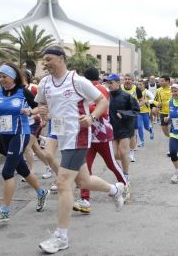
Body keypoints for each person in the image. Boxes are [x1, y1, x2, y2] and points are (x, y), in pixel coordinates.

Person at [35, 46, 125, 254]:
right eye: (44, 60)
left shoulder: (77, 81)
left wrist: (92, 118)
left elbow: (103, 100)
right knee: (83, 181)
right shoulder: (44, 83)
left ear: (61, 59)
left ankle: (61, 237)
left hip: (78, 134)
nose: (46, 63)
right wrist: (42, 110)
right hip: (58, 131)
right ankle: (115, 189)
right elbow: (41, 104)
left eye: (49, 59)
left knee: (63, 182)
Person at [0, 63, 49, 223]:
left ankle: (5, 211)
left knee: (7, 172)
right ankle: (42, 192)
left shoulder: (23, 91)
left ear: (12, 77)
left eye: (4, 77)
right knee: (21, 168)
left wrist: (30, 111)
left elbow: (40, 108)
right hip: (4, 134)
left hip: (20, 134)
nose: (1, 80)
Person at [73, 67, 127, 214]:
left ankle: (124, 187)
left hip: (102, 134)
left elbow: (102, 109)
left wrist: (85, 108)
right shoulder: (86, 89)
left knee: (111, 164)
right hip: (89, 135)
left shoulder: (99, 88)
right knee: (86, 168)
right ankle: (85, 200)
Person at [106, 73, 140, 201]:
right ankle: (121, 174)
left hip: (125, 129)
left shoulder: (126, 96)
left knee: (123, 152)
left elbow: (136, 110)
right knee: (115, 155)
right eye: (108, 83)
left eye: (111, 82)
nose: (109, 85)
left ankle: (125, 175)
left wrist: (123, 114)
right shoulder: (106, 96)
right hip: (113, 129)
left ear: (117, 83)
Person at [121, 73, 142, 162]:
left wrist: (136, 106)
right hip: (121, 114)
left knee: (132, 134)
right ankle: (121, 151)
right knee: (121, 133)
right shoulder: (120, 88)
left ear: (132, 81)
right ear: (123, 80)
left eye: (129, 79)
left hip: (133, 115)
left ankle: (132, 153)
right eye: (126, 79)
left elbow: (142, 100)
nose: (127, 81)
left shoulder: (136, 89)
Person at [155, 75, 172, 155]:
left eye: (162, 81)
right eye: (159, 81)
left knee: (172, 131)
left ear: (168, 81)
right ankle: (174, 139)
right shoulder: (158, 90)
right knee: (165, 131)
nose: (160, 83)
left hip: (172, 113)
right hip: (163, 113)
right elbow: (155, 101)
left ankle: (171, 149)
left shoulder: (173, 89)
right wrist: (158, 104)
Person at [137, 79, 154, 147]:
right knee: (139, 126)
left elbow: (153, 99)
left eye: (141, 84)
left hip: (145, 112)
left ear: (144, 85)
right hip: (138, 112)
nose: (139, 86)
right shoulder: (136, 91)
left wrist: (147, 101)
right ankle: (141, 141)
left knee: (146, 127)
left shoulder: (147, 92)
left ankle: (151, 130)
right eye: (138, 84)